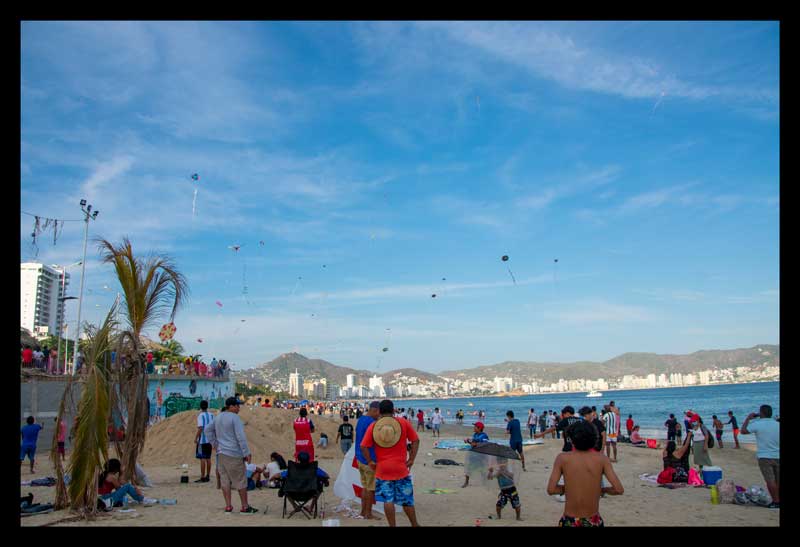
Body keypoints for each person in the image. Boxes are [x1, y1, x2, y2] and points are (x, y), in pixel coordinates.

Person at [547, 419, 624, 527]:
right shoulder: (602, 459)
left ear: (572, 439)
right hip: (593, 520)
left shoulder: (562, 459)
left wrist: (567, 488)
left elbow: (551, 490)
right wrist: (602, 490)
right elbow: (619, 489)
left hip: (570, 520)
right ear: (594, 438)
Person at [360, 399, 420, 527]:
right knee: (407, 501)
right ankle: (414, 524)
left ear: (380, 411)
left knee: (388, 500)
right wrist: (411, 459)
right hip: (401, 469)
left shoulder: (374, 426)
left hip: (382, 469)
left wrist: (370, 461)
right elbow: (416, 441)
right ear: (393, 410)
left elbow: (363, 446)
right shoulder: (403, 423)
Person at [204, 397, 258, 514]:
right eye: (237, 406)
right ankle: (244, 506)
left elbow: (207, 429)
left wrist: (214, 443)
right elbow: (241, 437)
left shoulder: (218, 417)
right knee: (240, 480)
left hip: (221, 454)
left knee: (225, 481)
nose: (239, 408)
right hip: (234, 453)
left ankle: (228, 506)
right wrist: (246, 452)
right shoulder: (235, 418)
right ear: (231, 406)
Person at [740, 405, 779, 509]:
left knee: (770, 480)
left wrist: (748, 418)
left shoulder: (757, 424)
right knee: (777, 480)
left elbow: (743, 431)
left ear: (761, 413)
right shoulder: (777, 424)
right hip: (778, 455)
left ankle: (776, 502)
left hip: (765, 456)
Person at [354, 401, 381, 520]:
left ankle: (363, 512)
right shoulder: (372, 423)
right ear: (375, 410)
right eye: (379, 413)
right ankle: (368, 514)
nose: (379, 416)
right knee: (371, 489)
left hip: (360, 458)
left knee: (365, 487)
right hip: (369, 460)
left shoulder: (361, 420)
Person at [461, 421, 489, 488]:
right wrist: (468, 441)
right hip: (473, 454)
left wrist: (472, 442)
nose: (474, 428)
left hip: (481, 455)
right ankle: (466, 482)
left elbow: (485, 444)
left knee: (482, 469)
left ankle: (485, 481)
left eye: (475, 427)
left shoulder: (484, 435)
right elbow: (473, 443)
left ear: (479, 428)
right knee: (468, 468)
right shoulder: (475, 434)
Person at [194, 400, 214, 483]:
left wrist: (196, 438)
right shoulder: (212, 415)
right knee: (208, 458)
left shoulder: (200, 416)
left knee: (202, 458)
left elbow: (200, 428)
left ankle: (202, 476)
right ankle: (208, 475)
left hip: (202, 440)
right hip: (210, 440)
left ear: (200, 406)